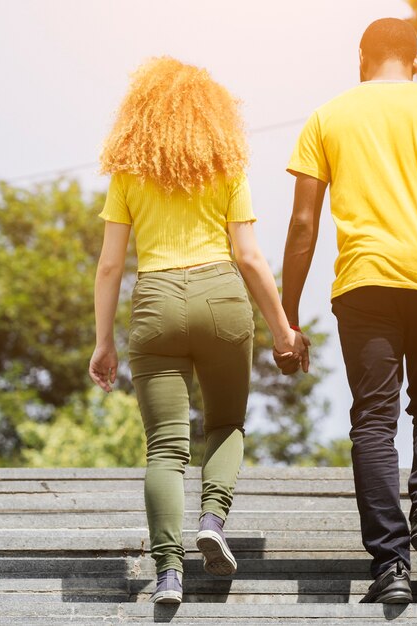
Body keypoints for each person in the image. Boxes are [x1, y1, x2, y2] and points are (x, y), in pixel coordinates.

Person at [275, 18, 417, 604]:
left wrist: (288, 316)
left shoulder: (327, 118)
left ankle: (390, 566)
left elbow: (303, 224)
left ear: (362, 59)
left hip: (364, 286)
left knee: (373, 421)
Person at [88, 57, 307, 604]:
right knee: (227, 423)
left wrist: (103, 341)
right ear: (213, 116)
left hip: (155, 302)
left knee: (164, 448)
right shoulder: (228, 166)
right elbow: (250, 256)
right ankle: (213, 518)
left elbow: (111, 265)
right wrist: (283, 330)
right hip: (222, 299)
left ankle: (167, 574)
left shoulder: (128, 174)